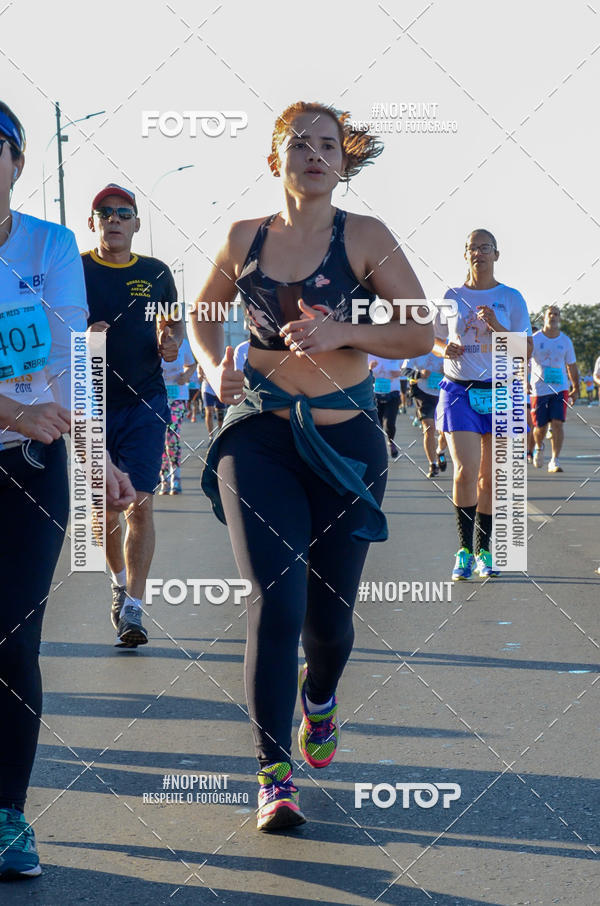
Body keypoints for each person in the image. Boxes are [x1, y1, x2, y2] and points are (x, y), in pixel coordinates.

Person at [189, 101, 431, 831]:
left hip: (346, 445)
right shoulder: (242, 237)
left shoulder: (364, 237)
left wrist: (342, 330)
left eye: (328, 145)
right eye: (300, 144)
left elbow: (421, 329)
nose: (315, 154)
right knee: (275, 601)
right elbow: (203, 313)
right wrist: (212, 368)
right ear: (275, 160)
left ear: (343, 162)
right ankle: (272, 775)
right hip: (258, 437)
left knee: (327, 626)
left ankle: (318, 696)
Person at [0, 102, 135, 879]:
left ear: (18, 163)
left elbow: (66, 355)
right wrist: (15, 403)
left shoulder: (50, 245)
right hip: (24, 421)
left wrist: (97, 456)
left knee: (12, 637)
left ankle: (8, 814)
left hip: (29, 464)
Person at [83, 184, 183, 646]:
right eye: (105, 213)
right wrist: (82, 335)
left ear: (137, 224)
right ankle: (119, 584)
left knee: (140, 503)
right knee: (105, 510)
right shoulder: (76, 269)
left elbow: (172, 322)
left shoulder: (156, 272)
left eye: (124, 213)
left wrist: (171, 341)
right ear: (93, 223)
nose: (114, 219)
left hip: (145, 401)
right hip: (90, 401)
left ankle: (136, 610)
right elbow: (51, 325)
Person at [434, 229, 532, 581]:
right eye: (473, 248)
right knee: (465, 470)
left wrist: (496, 325)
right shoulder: (452, 295)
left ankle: (485, 550)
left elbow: (525, 350)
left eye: (485, 247)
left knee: (489, 478)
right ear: (465, 255)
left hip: (501, 391)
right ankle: (463, 551)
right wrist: (441, 349)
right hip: (459, 390)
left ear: (496, 254)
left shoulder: (511, 297)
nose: (479, 253)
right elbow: (431, 338)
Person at [530, 305, 579, 473]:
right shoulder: (535, 339)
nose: (553, 316)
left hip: (560, 389)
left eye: (556, 314)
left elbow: (571, 365)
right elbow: (523, 361)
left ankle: (554, 460)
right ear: (544, 318)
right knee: (540, 427)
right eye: (550, 314)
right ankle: (539, 446)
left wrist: (576, 387)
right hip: (539, 389)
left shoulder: (565, 341)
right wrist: (523, 382)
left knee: (558, 424)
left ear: (559, 318)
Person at [159, 337, 197, 493]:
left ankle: (176, 477)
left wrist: (186, 376)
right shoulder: (151, 339)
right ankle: (164, 479)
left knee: (172, 437)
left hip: (177, 396)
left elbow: (192, 364)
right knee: (159, 438)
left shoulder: (183, 343)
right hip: (157, 396)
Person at [405, 351, 444, 478]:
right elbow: (404, 370)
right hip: (423, 394)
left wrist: (450, 371)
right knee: (429, 428)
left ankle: (440, 451)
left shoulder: (449, 345)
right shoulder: (419, 346)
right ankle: (433, 464)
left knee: (445, 432)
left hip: (445, 394)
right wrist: (419, 374)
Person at [368, 356, 404, 459]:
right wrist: (369, 368)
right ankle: (380, 448)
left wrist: (399, 373)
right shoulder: (369, 354)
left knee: (389, 423)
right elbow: (361, 374)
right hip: (376, 395)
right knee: (377, 424)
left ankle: (391, 443)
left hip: (393, 393)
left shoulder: (395, 353)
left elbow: (406, 369)